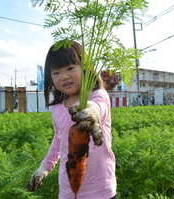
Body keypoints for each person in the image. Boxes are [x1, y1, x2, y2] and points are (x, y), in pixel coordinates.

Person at [28, 41, 117, 199]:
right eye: (56, 73)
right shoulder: (57, 108)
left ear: (84, 67)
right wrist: (44, 168)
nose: (64, 76)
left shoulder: (96, 95)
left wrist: (92, 111)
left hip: (101, 188)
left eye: (70, 68)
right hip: (68, 188)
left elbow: (100, 108)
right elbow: (58, 140)